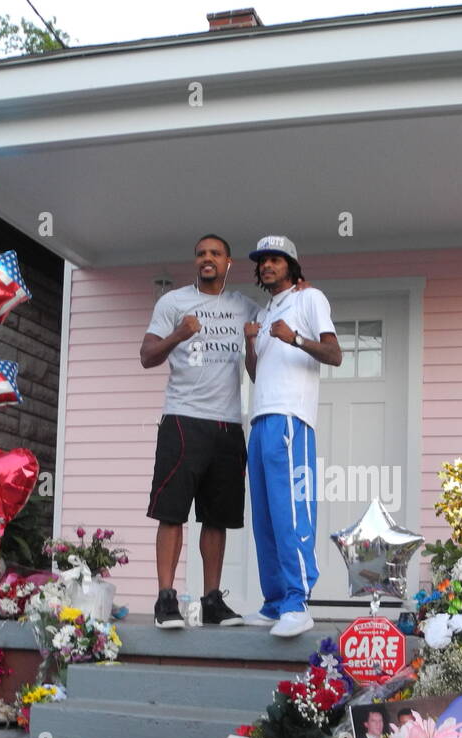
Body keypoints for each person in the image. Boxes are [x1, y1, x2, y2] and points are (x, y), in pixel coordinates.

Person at [140, 234, 257, 629]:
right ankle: (166, 599)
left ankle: (211, 601)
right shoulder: (173, 303)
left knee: (217, 517)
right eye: (201, 254)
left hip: (227, 425)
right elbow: (146, 356)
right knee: (171, 513)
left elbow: (256, 372)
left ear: (229, 262)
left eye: (215, 254)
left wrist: (254, 341)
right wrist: (179, 334)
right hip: (182, 420)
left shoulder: (243, 305)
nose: (207, 259)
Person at [242, 235, 341, 637]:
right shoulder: (266, 312)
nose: (268, 266)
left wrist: (295, 337)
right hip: (260, 417)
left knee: (291, 510)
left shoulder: (309, 298)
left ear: (292, 264)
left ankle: (298, 602)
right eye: (263, 261)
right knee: (264, 516)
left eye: (276, 259)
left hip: (291, 418)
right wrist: (253, 342)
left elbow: (334, 354)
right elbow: (255, 373)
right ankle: (274, 602)